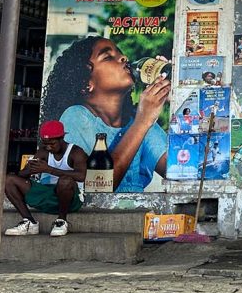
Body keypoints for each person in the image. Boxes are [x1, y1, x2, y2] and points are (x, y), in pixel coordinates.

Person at [41, 36, 170, 192]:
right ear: (86, 84)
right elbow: (97, 187)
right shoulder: (75, 117)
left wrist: (178, 93)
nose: (124, 57)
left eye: (120, 53)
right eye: (107, 57)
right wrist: (142, 122)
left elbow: (180, 170)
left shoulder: (138, 121)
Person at [3, 120, 88, 237]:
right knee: (9, 180)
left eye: (52, 143)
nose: (48, 147)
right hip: (47, 196)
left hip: (70, 200)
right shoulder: (43, 151)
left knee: (65, 181)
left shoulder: (76, 152)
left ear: (62, 138)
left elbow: (81, 176)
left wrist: (49, 169)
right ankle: (29, 222)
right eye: (45, 143)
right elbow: (22, 175)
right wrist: (30, 169)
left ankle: (61, 221)